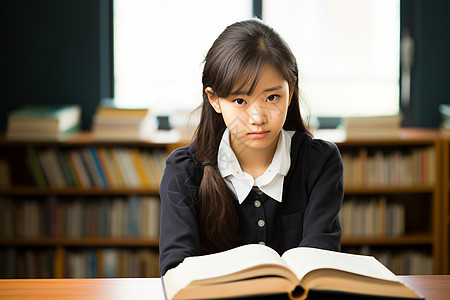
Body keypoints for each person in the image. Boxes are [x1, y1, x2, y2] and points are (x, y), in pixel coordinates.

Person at [159, 19, 343, 276]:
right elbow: (176, 270)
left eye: (272, 97)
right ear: (214, 100)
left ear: (291, 89)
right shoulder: (185, 171)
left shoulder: (319, 162)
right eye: (240, 100)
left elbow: (319, 265)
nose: (257, 117)